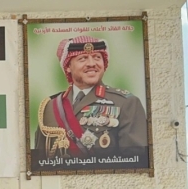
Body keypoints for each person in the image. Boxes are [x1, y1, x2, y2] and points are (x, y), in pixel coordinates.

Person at [33, 36, 148, 165]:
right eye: (83, 58)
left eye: (97, 57)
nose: (92, 63)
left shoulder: (126, 103)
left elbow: (135, 162)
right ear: (68, 66)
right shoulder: (50, 106)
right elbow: (40, 161)